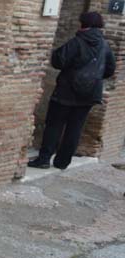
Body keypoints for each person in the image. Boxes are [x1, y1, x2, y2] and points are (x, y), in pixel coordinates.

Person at [29, 11, 116, 170]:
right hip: (90, 94)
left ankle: (44, 159)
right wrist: (93, 77)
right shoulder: (105, 45)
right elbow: (110, 69)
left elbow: (58, 61)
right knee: (75, 128)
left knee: (54, 125)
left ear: (83, 23)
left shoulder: (77, 42)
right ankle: (62, 162)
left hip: (66, 91)